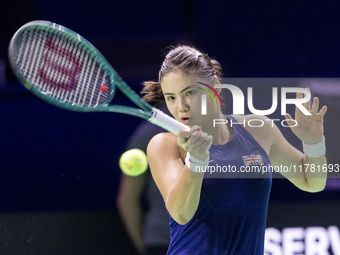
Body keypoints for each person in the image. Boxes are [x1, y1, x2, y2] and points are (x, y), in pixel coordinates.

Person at [141, 45, 328, 254]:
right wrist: (197, 159)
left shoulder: (259, 130)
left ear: (216, 87)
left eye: (190, 92)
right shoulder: (164, 145)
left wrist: (313, 142)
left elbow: (312, 181)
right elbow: (181, 213)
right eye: (171, 97)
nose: (181, 106)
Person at [117, 105, 171, 255]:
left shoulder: (147, 130)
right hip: (163, 244)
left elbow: (127, 201)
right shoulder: (149, 132)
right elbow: (127, 201)